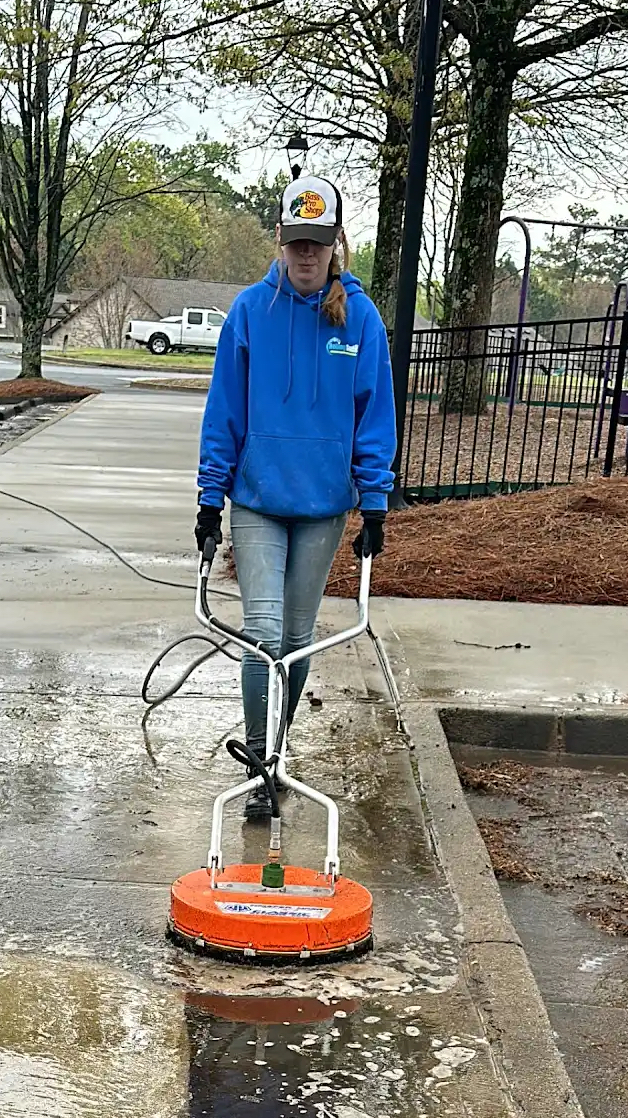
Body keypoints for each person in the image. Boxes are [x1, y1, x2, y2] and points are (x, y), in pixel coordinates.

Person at [195, 174, 397, 819]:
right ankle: (259, 766)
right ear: (280, 240)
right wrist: (209, 497)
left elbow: (374, 414)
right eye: (296, 242)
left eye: (318, 242)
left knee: (298, 636)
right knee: (262, 633)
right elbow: (225, 409)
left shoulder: (359, 318)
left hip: (323, 506)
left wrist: (374, 501)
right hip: (257, 499)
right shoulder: (251, 312)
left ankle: (279, 750)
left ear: (336, 244)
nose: (306, 254)